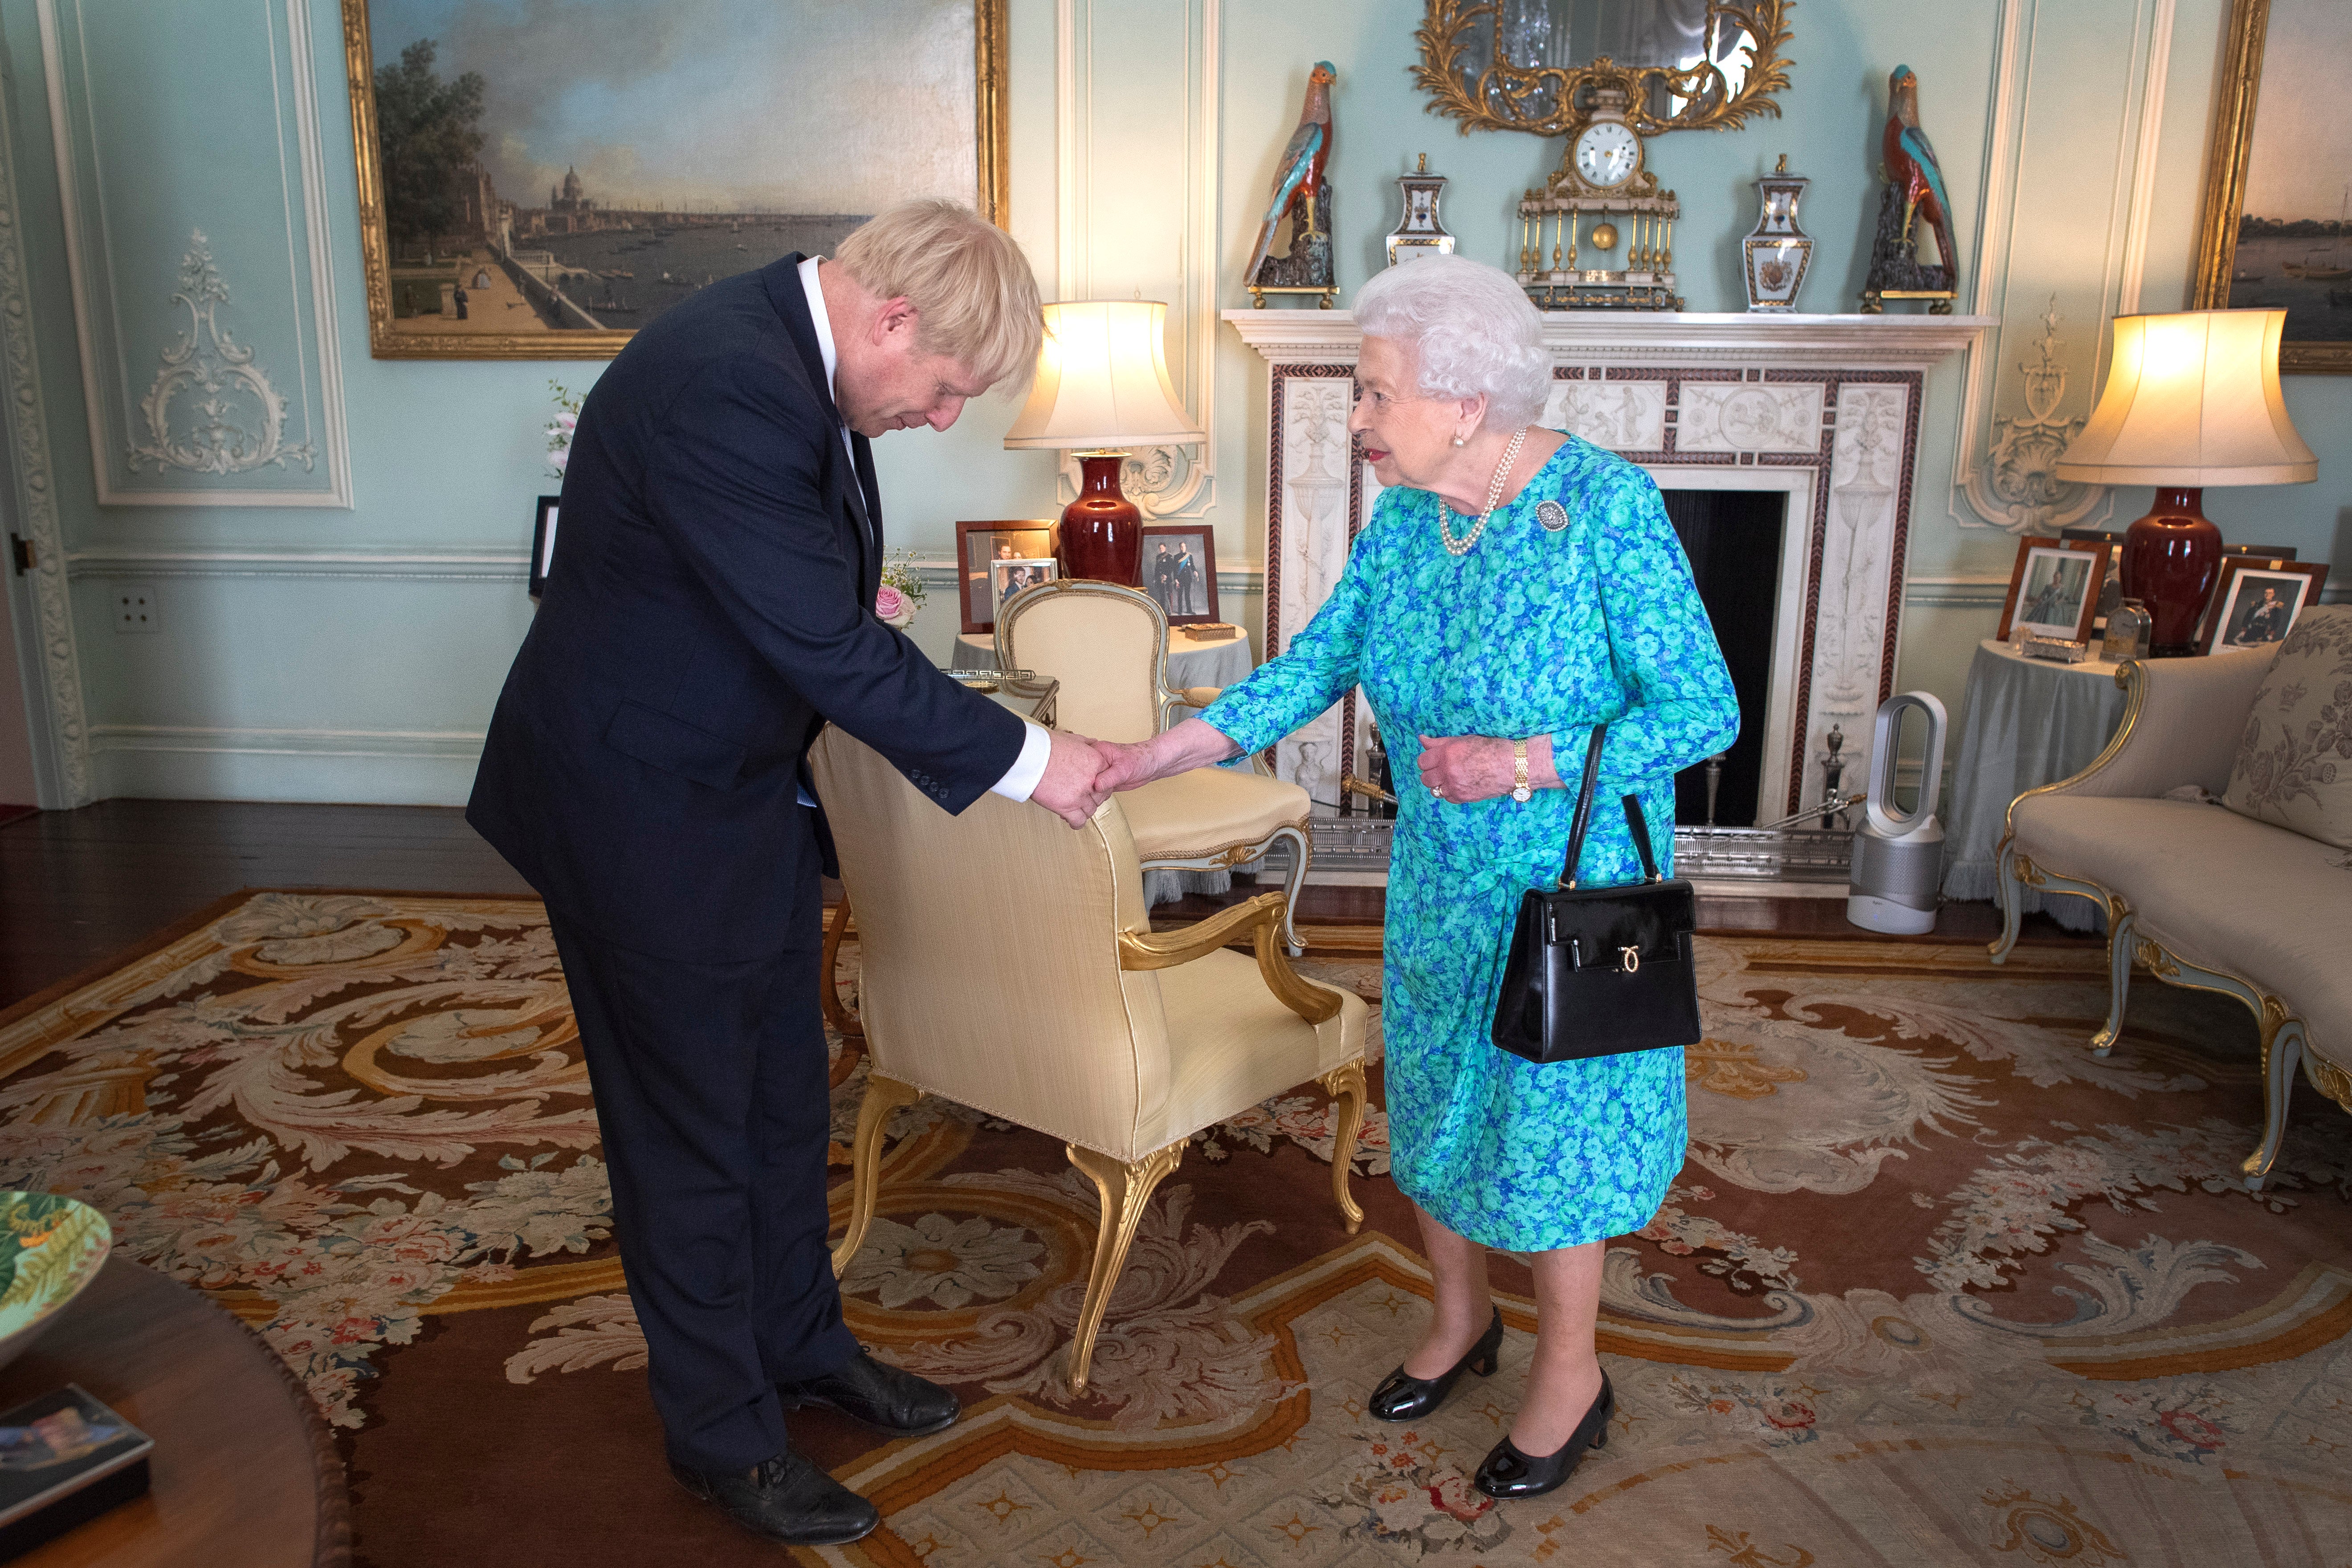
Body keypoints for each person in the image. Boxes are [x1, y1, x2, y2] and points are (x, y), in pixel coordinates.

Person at [467, 200, 1114, 1549]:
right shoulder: (723, 381)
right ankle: (724, 1437)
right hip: (634, 805)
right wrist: (1035, 761)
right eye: (944, 387)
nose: (942, 419)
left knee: (775, 1099)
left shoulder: (788, 351)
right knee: (689, 1132)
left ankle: (803, 1346)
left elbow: (798, 606)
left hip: (735, 789)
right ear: (890, 321)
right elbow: (825, 644)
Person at [1096, 253, 1737, 1502]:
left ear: (1464, 398)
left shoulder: (1603, 507)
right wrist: (1159, 748)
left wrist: (1521, 761)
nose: (1357, 418)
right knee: (1437, 1100)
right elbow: (1317, 660)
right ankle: (1457, 1320)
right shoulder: (1408, 519)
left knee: (1554, 1136)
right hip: (1440, 880)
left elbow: (1702, 709)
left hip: (1571, 883)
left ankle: (1570, 1370)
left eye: (1374, 391)